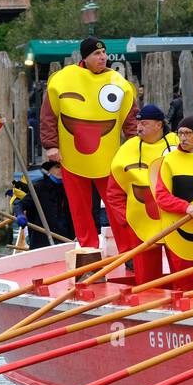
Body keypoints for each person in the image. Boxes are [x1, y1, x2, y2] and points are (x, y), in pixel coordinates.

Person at [40, 37, 139, 248]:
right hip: (72, 155)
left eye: (104, 52)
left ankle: (128, 249)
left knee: (117, 204)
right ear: (85, 56)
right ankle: (88, 249)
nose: (102, 57)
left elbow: (130, 118)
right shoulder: (63, 79)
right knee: (80, 207)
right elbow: (49, 115)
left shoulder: (118, 82)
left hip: (108, 157)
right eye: (96, 53)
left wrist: (136, 147)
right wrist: (51, 145)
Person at [106, 105, 180, 285]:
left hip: (177, 220)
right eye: (138, 123)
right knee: (146, 279)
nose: (138, 127)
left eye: (144, 123)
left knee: (182, 273)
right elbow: (114, 192)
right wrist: (127, 220)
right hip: (140, 222)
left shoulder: (179, 143)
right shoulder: (127, 149)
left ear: (159, 125)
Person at [152, 115, 193, 283]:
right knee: (185, 285)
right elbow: (161, 196)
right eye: (180, 133)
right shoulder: (170, 160)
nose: (182, 138)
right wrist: (186, 207)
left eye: (188, 133)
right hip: (181, 232)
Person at [11, 160, 74, 248]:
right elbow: (19, 205)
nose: (61, 170)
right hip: (41, 242)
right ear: (49, 170)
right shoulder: (39, 187)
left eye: (63, 167)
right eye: (57, 167)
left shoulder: (69, 188)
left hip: (66, 241)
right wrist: (20, 215)